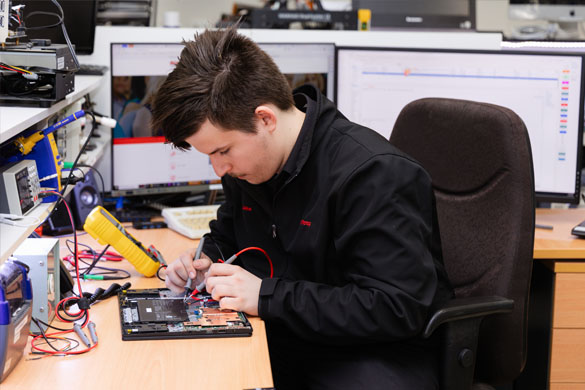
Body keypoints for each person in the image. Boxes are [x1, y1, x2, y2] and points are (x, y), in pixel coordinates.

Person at [151, 26, 453, 390]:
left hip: (371, 354)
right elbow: (229, 239)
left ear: (265, 119)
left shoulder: (374, 173)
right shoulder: (249, 169)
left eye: (222, 151)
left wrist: (265, 296)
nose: (219, 170)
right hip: (284, 335)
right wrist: (203, 264)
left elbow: (394, 307)